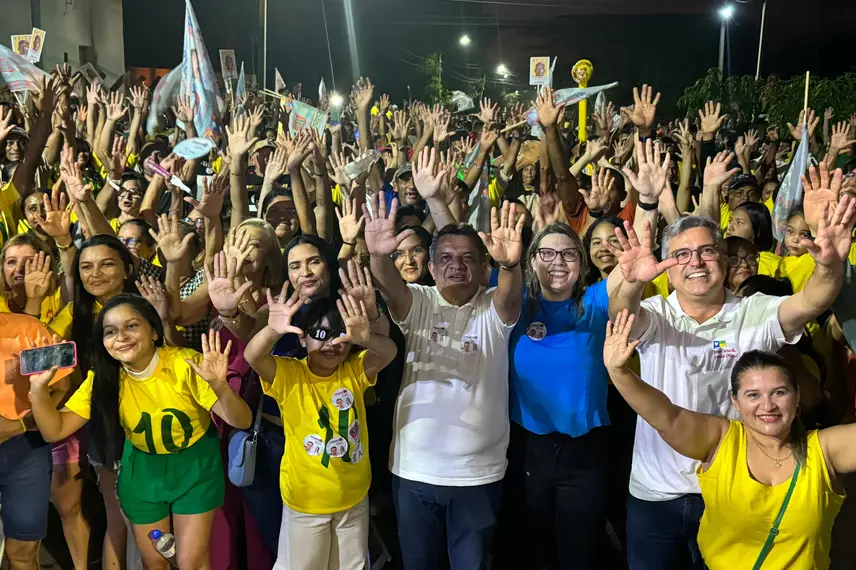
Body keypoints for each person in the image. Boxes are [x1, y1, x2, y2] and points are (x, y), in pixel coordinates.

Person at [606, 192, 855, 569]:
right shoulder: (656, 314)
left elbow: (813, 300)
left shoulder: (755, 311)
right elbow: (622, 317)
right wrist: (630, 284)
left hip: (732, 491)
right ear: (668, 267)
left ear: (723, 258)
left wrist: (830, 266)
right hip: (656, 492)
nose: (696, 262)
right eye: (682, 254)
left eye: (707, 251)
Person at [604, 311, 848, 570]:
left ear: (797, 396)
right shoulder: (722, 440)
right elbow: (667, 417)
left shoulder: (824, 448)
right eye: (753, 395)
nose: (767, 405)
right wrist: (619, 373)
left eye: (779, 392)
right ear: (735, 401)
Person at [29, 294, 252, 570]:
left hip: (196, 467)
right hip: (143, 471)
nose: (121, 336)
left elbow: (241, 420)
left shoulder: (186, 364)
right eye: (110, 331)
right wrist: (38, 391)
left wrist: (220, 387)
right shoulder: (103, 379)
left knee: (190, 562)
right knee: (154, 561)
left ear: (155, 331)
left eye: (131, 326)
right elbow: (55, 430)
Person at [365, 187, 524, 569]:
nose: (457, 265)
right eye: (447, 258)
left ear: (484, 267)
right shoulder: (418, 300)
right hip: (413, 469)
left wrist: (512, 265)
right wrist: (376, 254)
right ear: (432, 268)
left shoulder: (493, 310)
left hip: (477, 475)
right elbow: (388, 282)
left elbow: (509, 295)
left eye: (469, 258)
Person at [244, 291, 396, 570]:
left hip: (353, 498)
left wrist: (364, 338)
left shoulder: (354, 369)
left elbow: (389, 352)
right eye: (320, 333)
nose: (331, 343)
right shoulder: (290, 373)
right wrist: (271, 330)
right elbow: (253, 356)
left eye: (339, 334)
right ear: (302, 338)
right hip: (306, 503)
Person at [503, 222, 612, 569]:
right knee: (532, 551)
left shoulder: (594, 303)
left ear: (581, 262)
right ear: (532, 260)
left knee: (578, 554)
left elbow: (631, 271)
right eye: (547, 254)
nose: (558, 262)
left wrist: (650, 204)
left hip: (584, 451)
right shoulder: (515, 306)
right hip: (526, 449)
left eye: (568, 254)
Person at [0, 313, 72, 570]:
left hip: (26, 451)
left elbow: (62, 387)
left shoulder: (29, 328)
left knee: (23, 551)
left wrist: (20, 425)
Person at [725, 200, 780, 276]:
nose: (730, 227)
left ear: (757, 232)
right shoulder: (722, 257)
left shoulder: (773, 264)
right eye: (730, 221)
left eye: (740, 222)